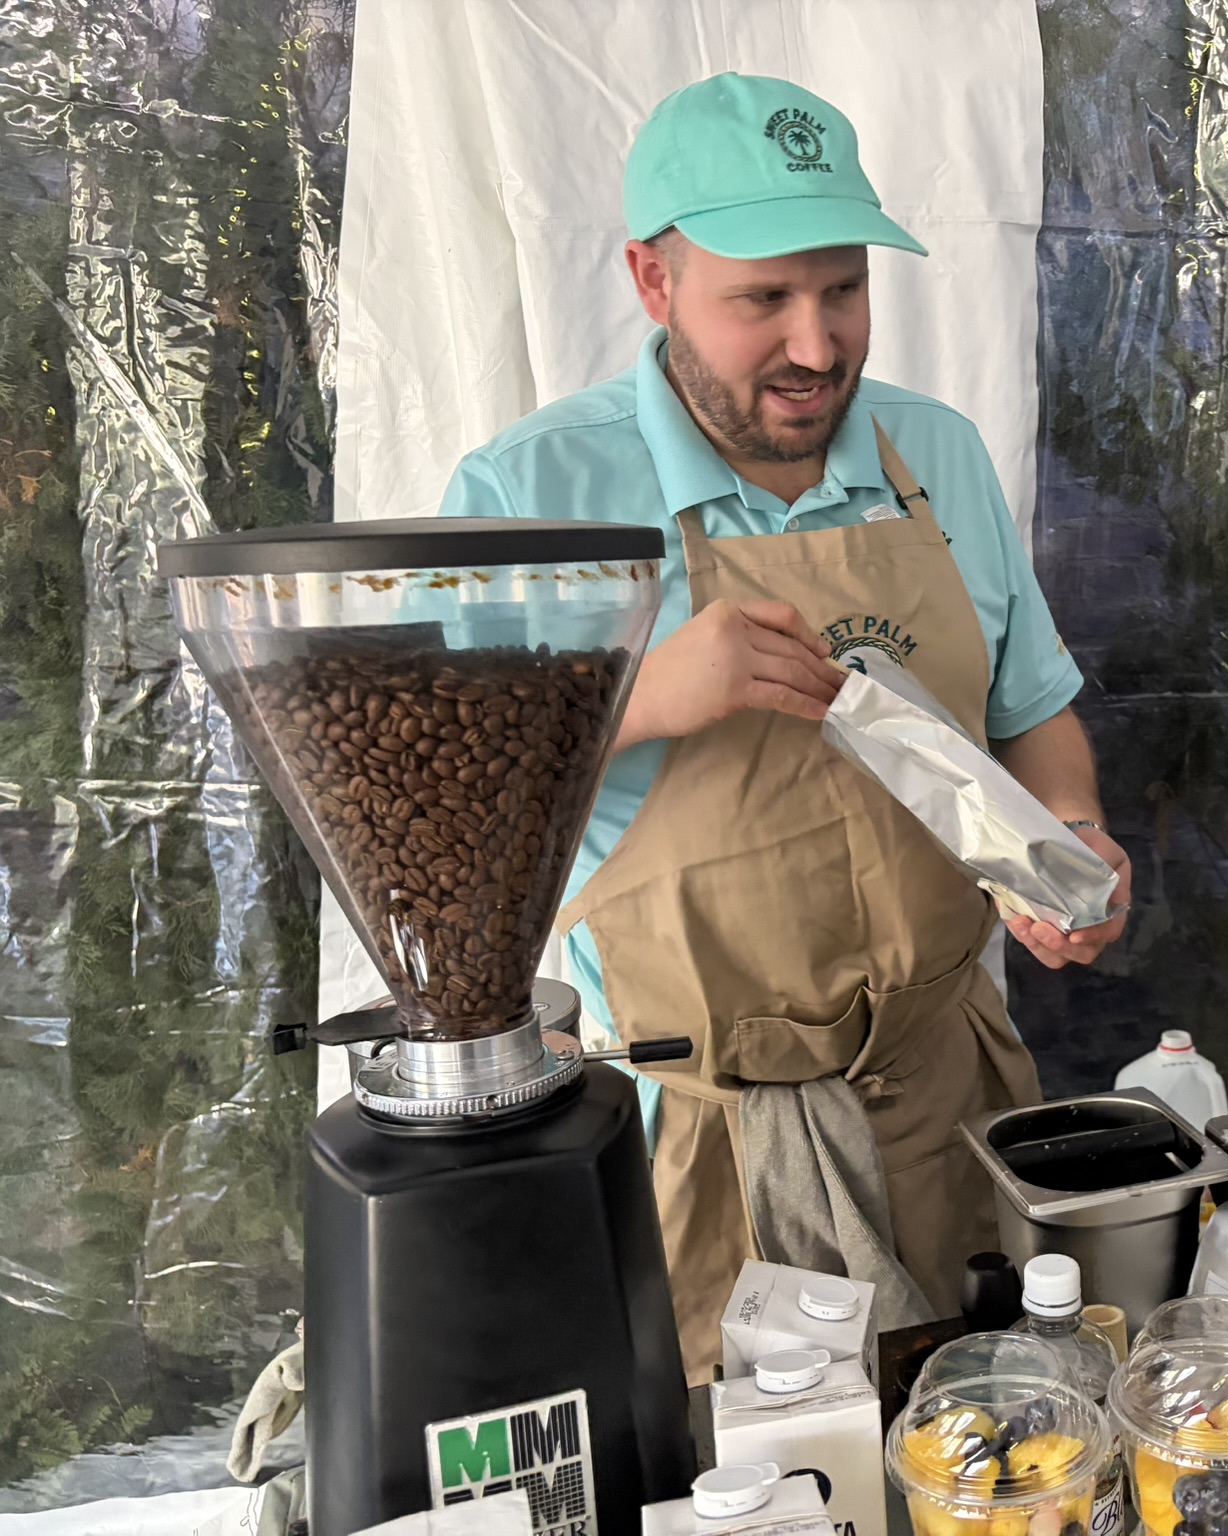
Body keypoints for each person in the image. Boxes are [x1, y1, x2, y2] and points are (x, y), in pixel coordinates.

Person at [436, 72, 1130, 1380]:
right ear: (652, 281)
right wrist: (639, 696)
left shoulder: (942, 458)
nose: (817, 348)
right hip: (692, 1146)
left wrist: (1071, 836)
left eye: (843, 290)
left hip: (949, 1104)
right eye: (762, 300)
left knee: (983, 1460)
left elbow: (1037, 715)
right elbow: (445, 837)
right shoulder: (533, 495)